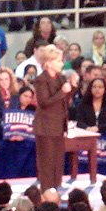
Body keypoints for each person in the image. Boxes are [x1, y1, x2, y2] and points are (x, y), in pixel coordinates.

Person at [33, 44, 79, 191]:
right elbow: (44, 102)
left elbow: (65, 98)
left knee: (58, 160)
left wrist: (72, 87)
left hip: (59, 124)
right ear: (49, 63)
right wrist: (62, 92)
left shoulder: (60, 77)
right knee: (47, 161)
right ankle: (47, 190)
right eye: (59, 61)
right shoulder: (41, 79)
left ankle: (56, 187)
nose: (62, 64)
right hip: (45, 126)